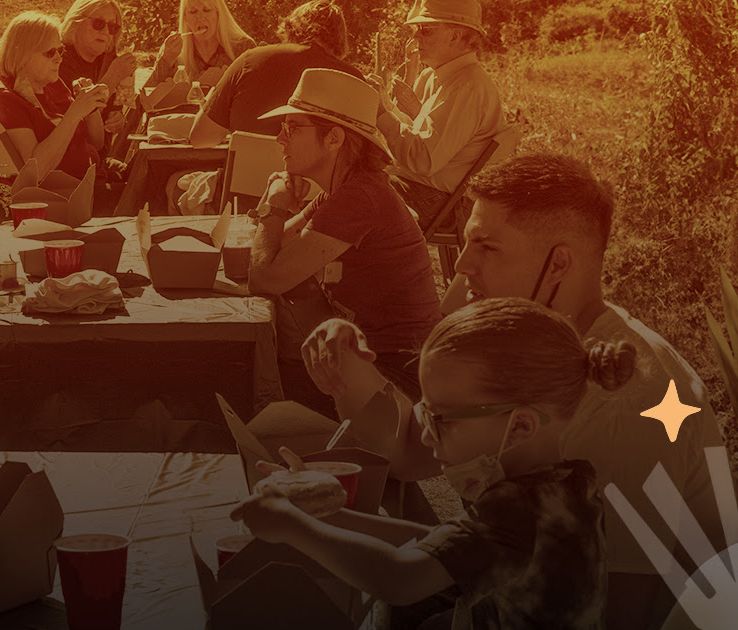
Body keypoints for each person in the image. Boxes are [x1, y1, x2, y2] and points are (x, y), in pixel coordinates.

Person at [302, 153, 730, 630]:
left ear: (558, 263)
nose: (462, 264)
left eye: (486, 245)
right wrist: (347, 371)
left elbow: (623, 607)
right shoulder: (524, 348)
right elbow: (412, 451)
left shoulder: (627, 401)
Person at [235, 297, 621, 629]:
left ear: (519, 425)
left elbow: (400, 577)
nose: (424, 435)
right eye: (425, 413)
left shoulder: (520, 509)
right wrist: (320, 511)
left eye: (440, 421)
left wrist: (291, 525)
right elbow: (428, 543)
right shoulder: (569, 484)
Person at [246, 68, 441, 410]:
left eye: (292, 128)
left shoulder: (358, 198)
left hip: (398, 377)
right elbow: (273, 251)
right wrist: (272, 208)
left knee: (253, 390)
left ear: (334, 139)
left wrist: (275, 205)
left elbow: (264, 278)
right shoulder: (343, 192)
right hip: (378, 361)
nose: (280, 138)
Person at [375, 0, 507, 234]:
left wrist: (382, 115)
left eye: (426, 30)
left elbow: (423, 159)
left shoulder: (468, 86)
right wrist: (384, 107)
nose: (416, 39)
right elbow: (418, 136)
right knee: (346, 187)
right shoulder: (440, 77)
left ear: (455, 36)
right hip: (429, 191)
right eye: (416, 30)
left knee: (352, 195)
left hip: (444, 203)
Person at [0, 11, 110, 230]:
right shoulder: (5, 99)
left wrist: (90, 108)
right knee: (147, 197)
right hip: (52, 200)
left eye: (60, 50)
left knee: (149, 181)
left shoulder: (51, 84)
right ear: (22, 54)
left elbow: (97, 143)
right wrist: (75, 113)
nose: (59, 58)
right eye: (50, 53)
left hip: (80, 186)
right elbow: (36, 171)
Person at [190, 0, 365, 148]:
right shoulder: (352, 78)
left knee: (176, 183)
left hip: (245, 184)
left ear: (290, 29)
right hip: (319, 188)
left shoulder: (251, 60)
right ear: (341, 40)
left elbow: (200, 139)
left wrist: (212, 97)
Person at [59, 0, 137, 136]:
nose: (106, 31)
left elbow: (113, 112)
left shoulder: (109, 60)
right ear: (76, 22)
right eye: (98, 24)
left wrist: (118, 120)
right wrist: (113, 76)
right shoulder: (59, 60)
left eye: (112, 27)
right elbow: (77, 127)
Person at [144, 0, 255, 89]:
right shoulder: (172, 50)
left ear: (219, 14)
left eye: (206, 10)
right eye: (193, 12)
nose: (200, 17)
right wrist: (166, 60)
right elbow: (148, 98)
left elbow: (255, 94)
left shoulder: (243, 48)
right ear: (185, 18)